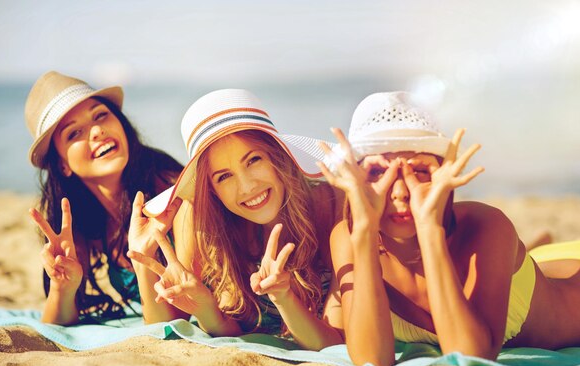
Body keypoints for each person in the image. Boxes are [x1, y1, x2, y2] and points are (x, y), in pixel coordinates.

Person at [318, 91, 580, 366]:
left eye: (418, 171)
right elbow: (372, 361)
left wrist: (429, 229)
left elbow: (470, 356)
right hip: (537, 264)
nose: (399, 191)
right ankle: (536, 248)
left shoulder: (487, 225)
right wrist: (364, 230)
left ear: (443, 175)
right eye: (377, 173)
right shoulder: (349, 236)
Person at [129, 89, 344, 349]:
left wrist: (284, 297)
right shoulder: (197, 220)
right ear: (211, 190)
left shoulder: (328, 205)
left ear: (277, 158)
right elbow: (168, 329)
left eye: (253, 160)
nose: (246, 187)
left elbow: (335, 344)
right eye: (224, 176)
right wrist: (142, 258)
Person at [25, 71, 184, 325]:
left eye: (100, 115)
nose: (97, 130)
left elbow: (175, 320)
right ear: (63, 165)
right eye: (74, 133)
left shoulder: (170, 192)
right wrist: (62, 286)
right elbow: (55, 324)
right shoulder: (80, 220)